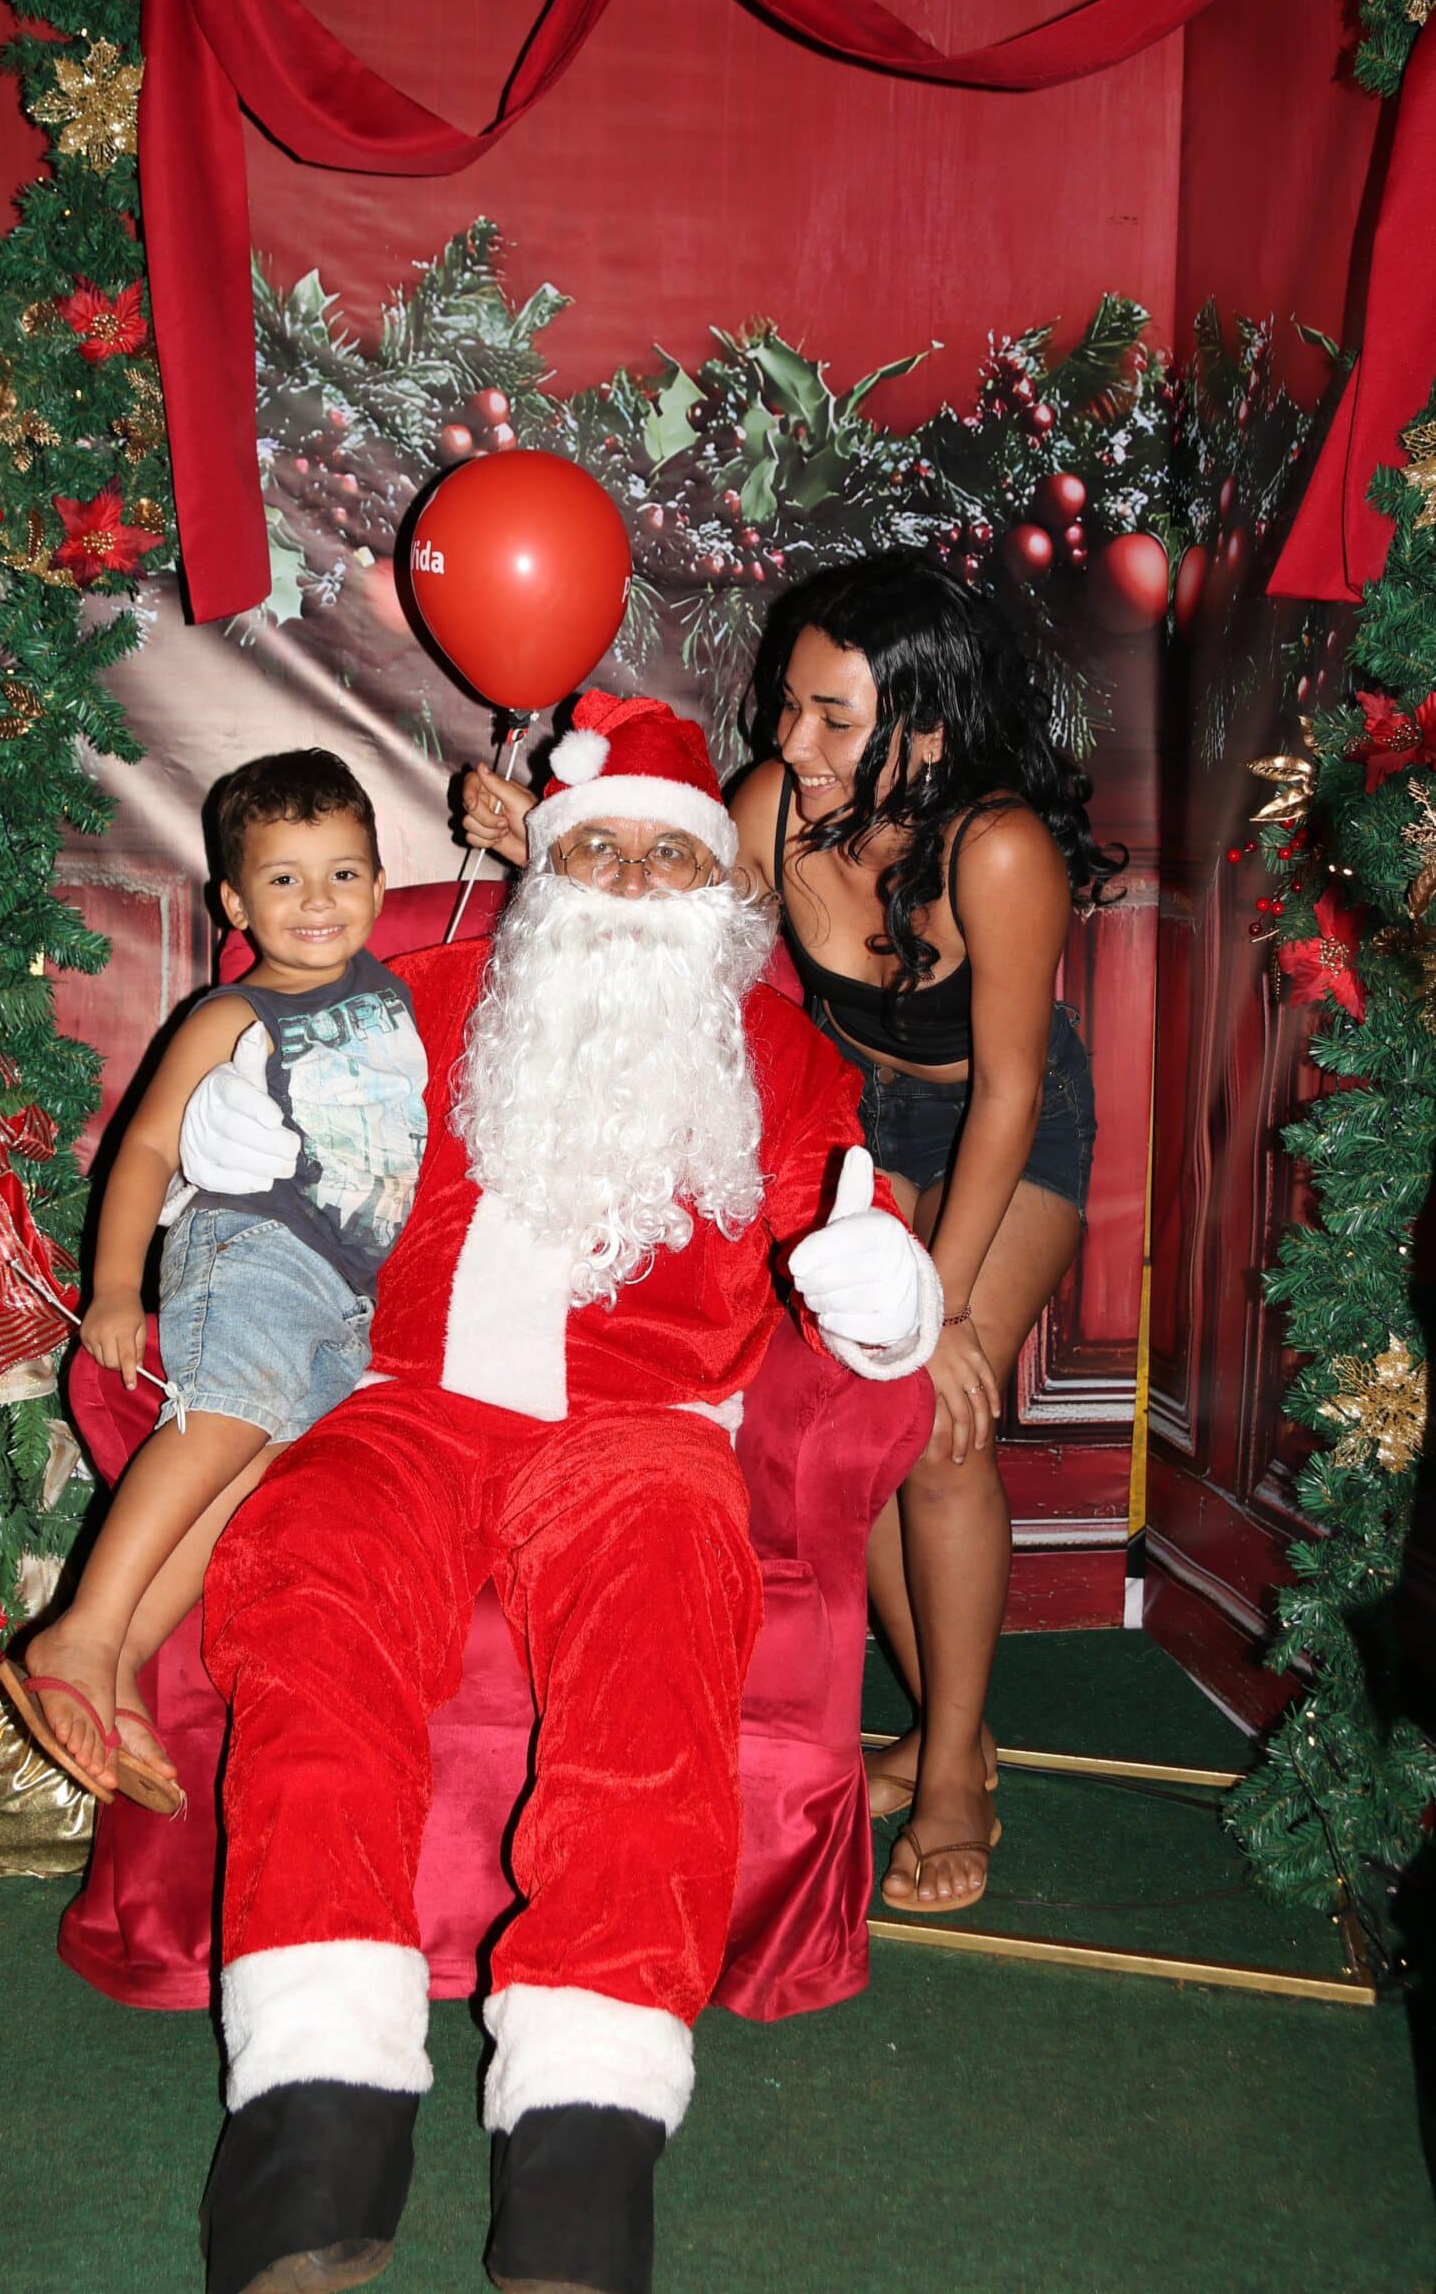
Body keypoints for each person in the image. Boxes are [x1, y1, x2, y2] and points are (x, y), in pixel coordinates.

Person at [177, 692, 939, 2294]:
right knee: (309, 1583)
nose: (634, 885)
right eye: (600, 852)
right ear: (549, 866)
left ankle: (580, 2156)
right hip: (404, 1403)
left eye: (672, 859)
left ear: (717, 890)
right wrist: (222, 1157)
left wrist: (885, 1303)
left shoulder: (778, 1057)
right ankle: (314, 2116)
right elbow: (284, 1176)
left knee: (656, 1644)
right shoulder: (422, 1000)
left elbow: (849, 1246)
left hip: (642, 1430)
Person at [464, 559, 1118, 1917]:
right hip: (849, 1124)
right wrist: (549, 844)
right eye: (787, 705)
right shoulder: (770, 806)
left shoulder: (997, 848)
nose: (789, 740)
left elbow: (1007, 1093)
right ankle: (952, 1727)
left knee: (939, 1424)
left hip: (998, 1127)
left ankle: (950, 1767)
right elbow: (684, 943)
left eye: (832, 717)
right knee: (861, 1419)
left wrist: (939, 1308)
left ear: (925, 729)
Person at [0, 749, 427, 1811]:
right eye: (284, 879)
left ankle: (119, 1663)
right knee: (222, 1419)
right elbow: (145, 1147)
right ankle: (79, 1633)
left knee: (250, 1466)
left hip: (340, 1292)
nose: (317, 900)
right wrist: (113, 1287)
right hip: (252, 1250)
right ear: (236, 902)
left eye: (342, 873)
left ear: (380, 883)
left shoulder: (388, 995)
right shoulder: (232, 1013)